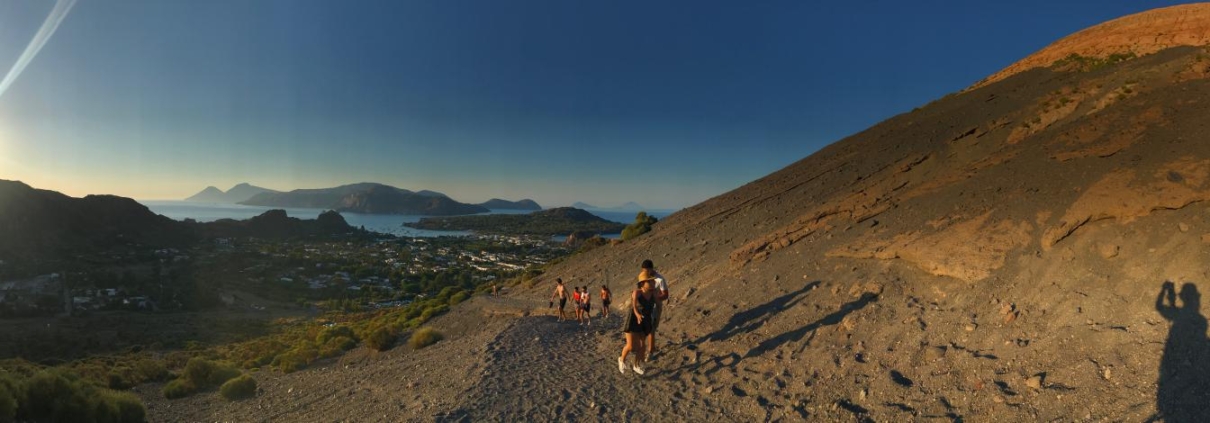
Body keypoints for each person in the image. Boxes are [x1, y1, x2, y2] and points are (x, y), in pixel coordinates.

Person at [619, 278, 656, 375]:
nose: (653, 283)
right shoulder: (637, 292)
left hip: (645, 320)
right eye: (650, 282)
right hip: (633, 319)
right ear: (643, 283)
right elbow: (634, 306)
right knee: (631, 345)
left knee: (642, 345)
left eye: (653, 281)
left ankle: (636, 365)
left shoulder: (654, 293)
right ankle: (621, 360)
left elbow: (661, 300)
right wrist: (637, 315)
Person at [641, 260, 670, 358]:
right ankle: (645, 349)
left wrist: (656, 298)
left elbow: (665, 295)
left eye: (647, 270)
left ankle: (650, 351)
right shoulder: (643, 277)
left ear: (651, 269)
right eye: (643, 270)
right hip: (644, 306)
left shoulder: (660, 279)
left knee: (652, 329)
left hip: (655, 307)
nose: (645, 273)